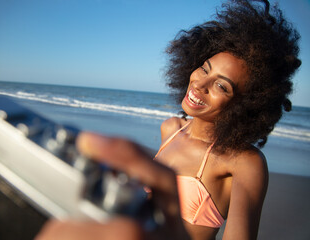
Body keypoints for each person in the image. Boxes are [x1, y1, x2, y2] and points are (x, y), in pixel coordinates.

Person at [36, 0, 301, 239]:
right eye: (204, 69)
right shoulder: (171, 128)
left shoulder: (243, 162)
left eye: (222, 86)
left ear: (248, 104)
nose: (200, 84)